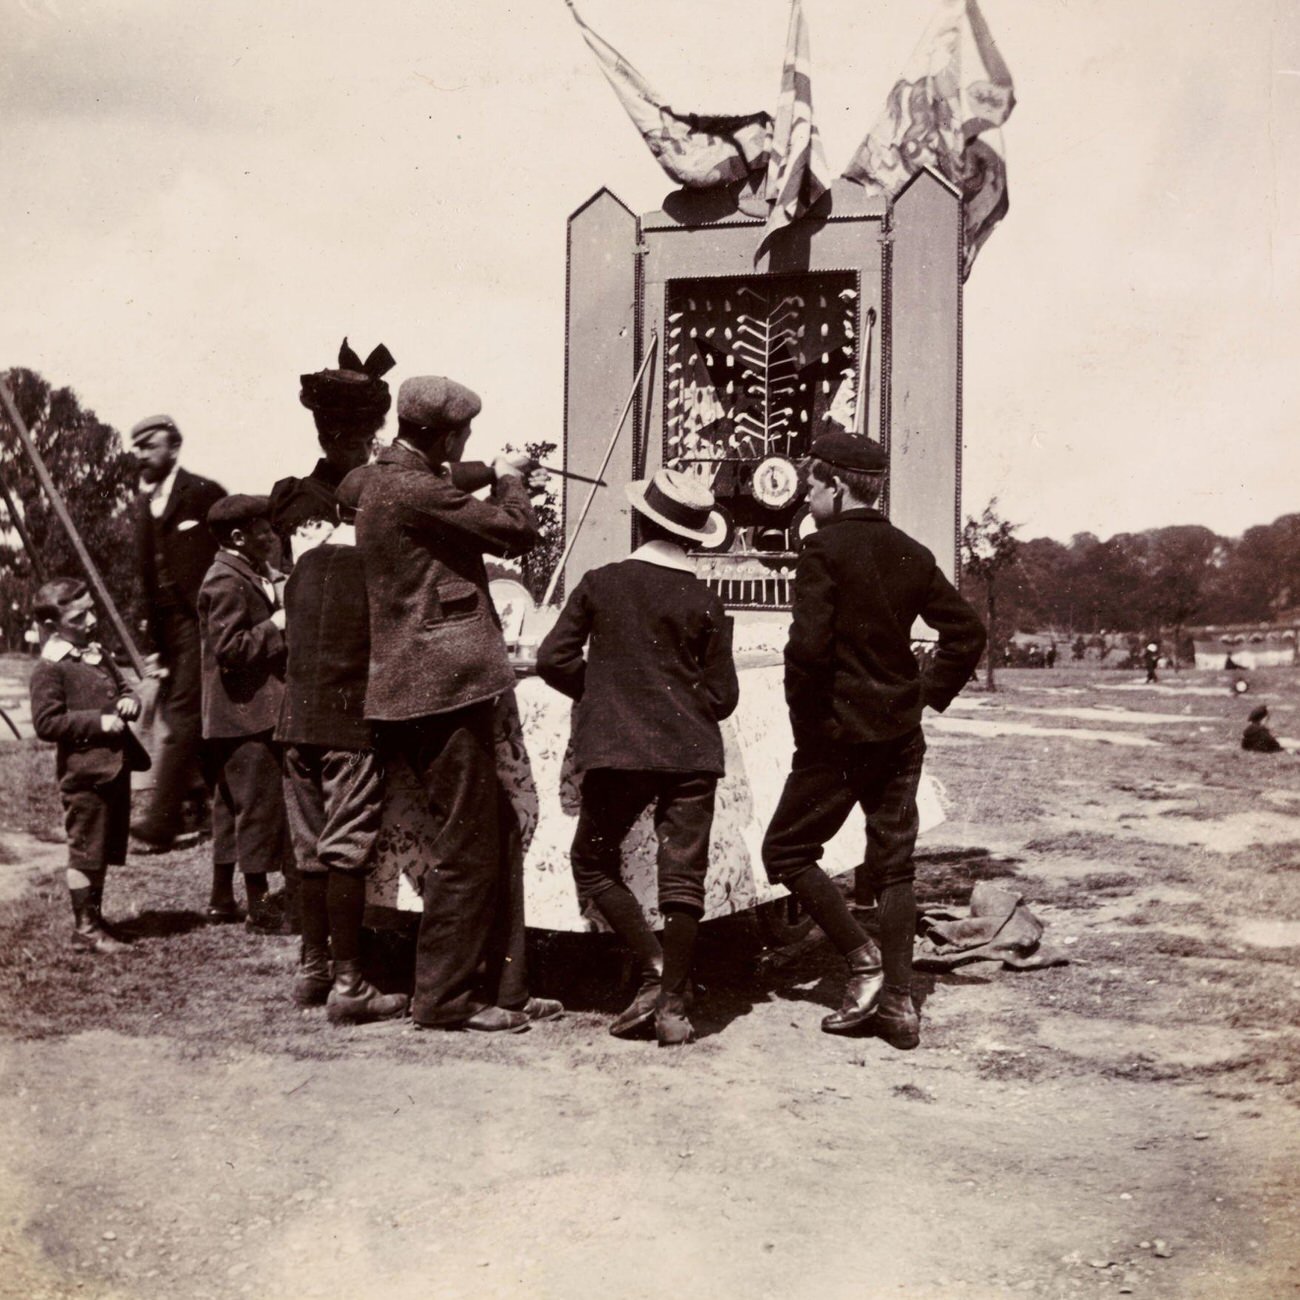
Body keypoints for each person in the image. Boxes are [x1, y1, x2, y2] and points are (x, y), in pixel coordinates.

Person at [760, 432, 986, 1049]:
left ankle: (862, 960)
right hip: (899, 733)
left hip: (836, 735)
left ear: (834, 485)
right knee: (892, 868)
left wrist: (807, 722)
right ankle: (898, 1004)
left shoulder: (822, 550)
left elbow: (806, 650)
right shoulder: (911, 551)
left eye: (809, 485)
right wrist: (925, 694)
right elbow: (966, 631)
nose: (805, 497)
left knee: (785, 852)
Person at [354, 374, 543, 1033]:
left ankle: (500, 985)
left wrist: (484, 466)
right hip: (441, 691)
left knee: (488, 832)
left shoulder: (381, 477)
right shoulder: (416, 488)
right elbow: (517, 532)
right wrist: (511, 479)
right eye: (463, 435)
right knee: (468, 844)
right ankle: (442, 998)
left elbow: (432, 478)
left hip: (416, 689)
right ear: (440, 435)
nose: (467, 443)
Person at [537, 468, 739, 1046]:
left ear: (640, 520)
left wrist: (603, 693)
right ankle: (672, 996)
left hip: (618, 749)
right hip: (691, 754)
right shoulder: (706, 600)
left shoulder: (601, 582)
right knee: (683, 878)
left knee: (593, 862)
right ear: (695, 536)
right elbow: (723, 698)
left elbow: (554, 659)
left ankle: (653, 968)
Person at [273, 481, 407, 1023]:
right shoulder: (379, 568)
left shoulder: (303, 569)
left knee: (310, 851)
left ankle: (313, 969)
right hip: (348, 728)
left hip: (294, 726)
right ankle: (350, 982)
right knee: (345, 849)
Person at [29, 579, 151, 954]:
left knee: (102, 849)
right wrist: (98, 722)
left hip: (112, 769)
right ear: (53, 626)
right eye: (79, 617)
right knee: (86, 850)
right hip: (84, 774)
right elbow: (47, 723)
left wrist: (131, 702)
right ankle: (85, 929)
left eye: (91, 610)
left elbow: (125, 688)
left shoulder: (96, 652)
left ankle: (95, 919)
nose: (92, 620)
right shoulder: (50, 668)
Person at [197, 495, 296, 931]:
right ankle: (260, 905)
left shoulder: (246, 572)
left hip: (237, 713)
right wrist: (276, 625)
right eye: (265, 531)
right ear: (239, 537)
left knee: (229, 806)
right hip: (245, 713)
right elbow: (231, 649)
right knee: (256, 806)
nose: (272, 538)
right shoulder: (224, 580)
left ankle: (222, 898)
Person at [128, 414, 226, 851]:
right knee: (192, 720)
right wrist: (153, 648)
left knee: (184, 715)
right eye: (139, 447)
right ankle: (211, 811)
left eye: (151, 446)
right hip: (167, 627)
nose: (142, 455)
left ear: (173, 448)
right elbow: (147, 580)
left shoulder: (203, 494)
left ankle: (161, 823)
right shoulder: (145, 506)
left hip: (200, 621)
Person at [268, 338, 396, 566]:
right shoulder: (304, 500)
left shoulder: (373, 488)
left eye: (369, 443)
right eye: (351, 446)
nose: (363, 455)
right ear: (325, 441)